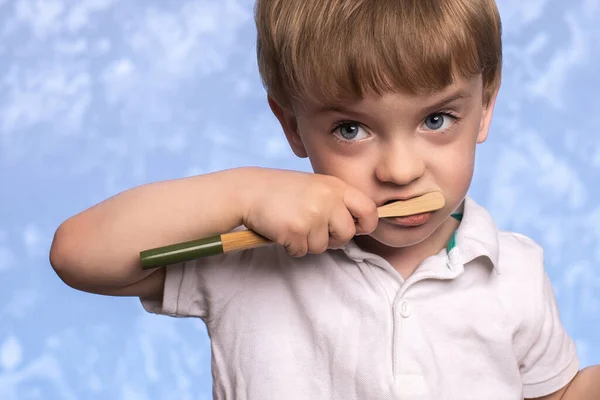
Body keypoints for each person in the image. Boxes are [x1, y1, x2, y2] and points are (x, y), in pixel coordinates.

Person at [49, 0, 600, 398]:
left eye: (437, 119)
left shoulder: (517, 271)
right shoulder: (248, 255)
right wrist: (245, 192)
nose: (401, 170)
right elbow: (77, 253)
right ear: (291, 125)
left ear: (485, 106)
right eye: (351, 130)